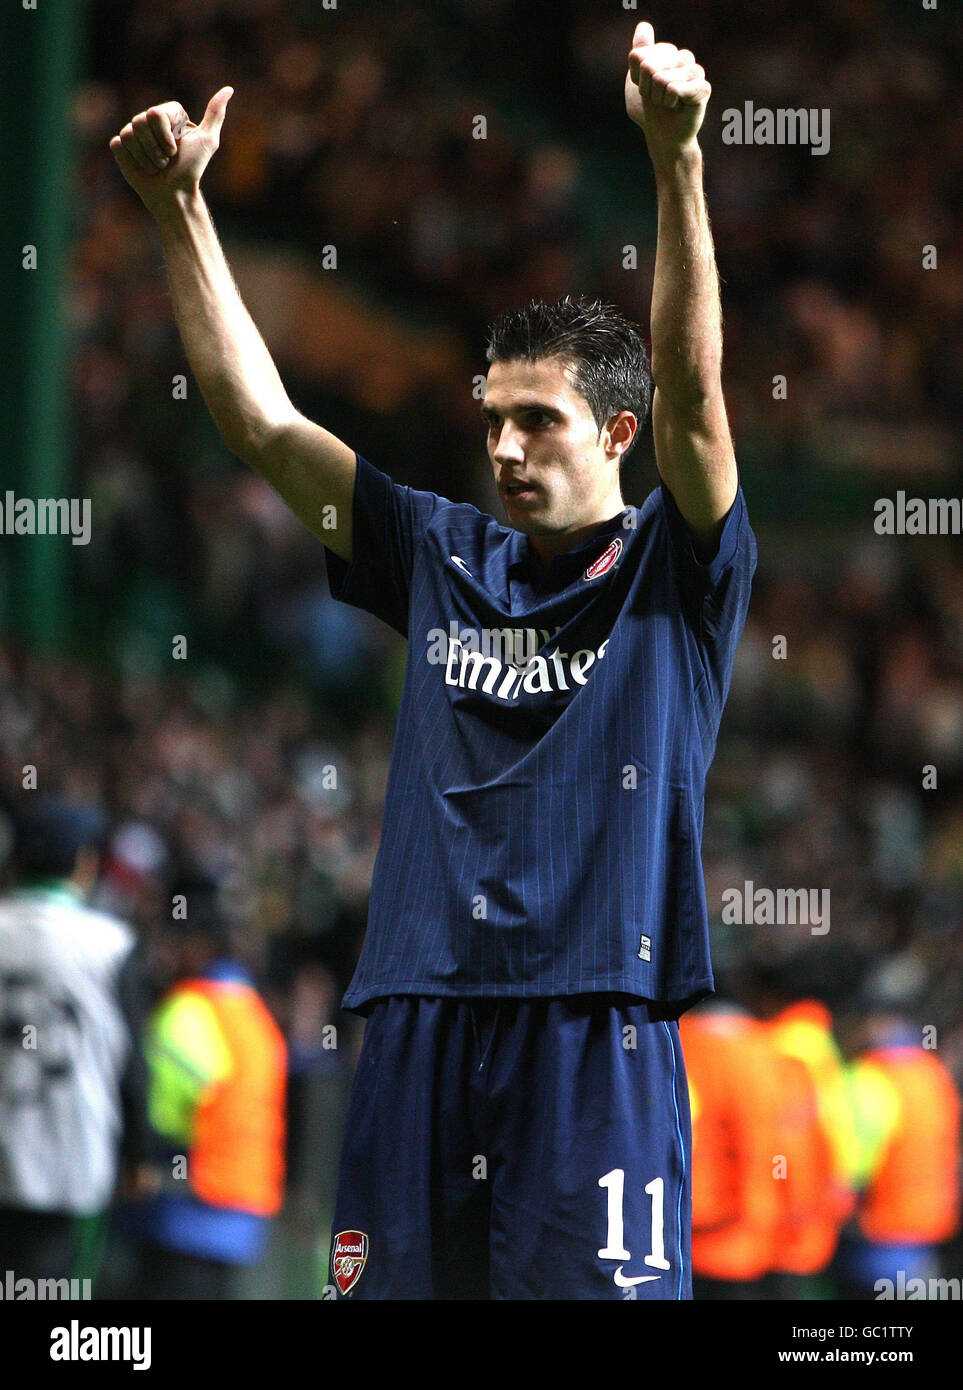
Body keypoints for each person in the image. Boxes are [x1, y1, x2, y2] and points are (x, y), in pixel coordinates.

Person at [110, 20, 756, 1299]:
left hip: (593, 1029)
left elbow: (696, 396)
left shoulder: (677, 568)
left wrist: (677, 164)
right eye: (493, 418)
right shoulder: (439, 553)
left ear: (616, 433)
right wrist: (181, 209)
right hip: (416, 1020)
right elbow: (257, 419)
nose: (505, 447)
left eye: (539, 420)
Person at [0, 797, 153, 1282]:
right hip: (72, 1159)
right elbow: (132, 1060)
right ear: (85, 864)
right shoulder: (112, 944)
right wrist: (140, 1153)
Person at [127, 874, 287, 1300]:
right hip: (241, 1216)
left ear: (198, 946)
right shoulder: (254, 1014)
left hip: (186, 1213)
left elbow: (158, 1113)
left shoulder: (187, 1009)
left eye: (172, 943)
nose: (164, 954)